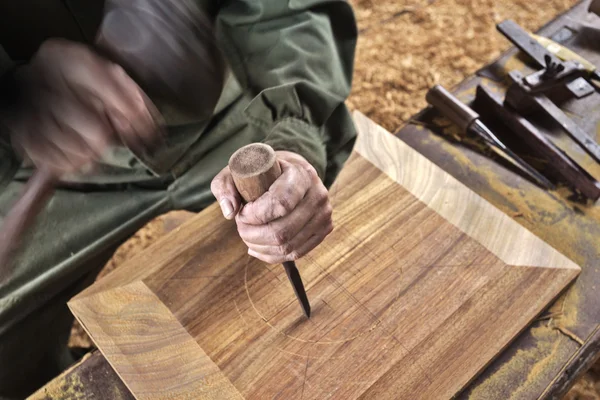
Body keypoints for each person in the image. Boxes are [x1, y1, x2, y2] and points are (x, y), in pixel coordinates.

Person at [0, 0, 357, 398]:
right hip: (40, 148)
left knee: (317, 222)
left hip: (234, 108)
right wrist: (16, 97)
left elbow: (289, 10)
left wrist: (291, 133)